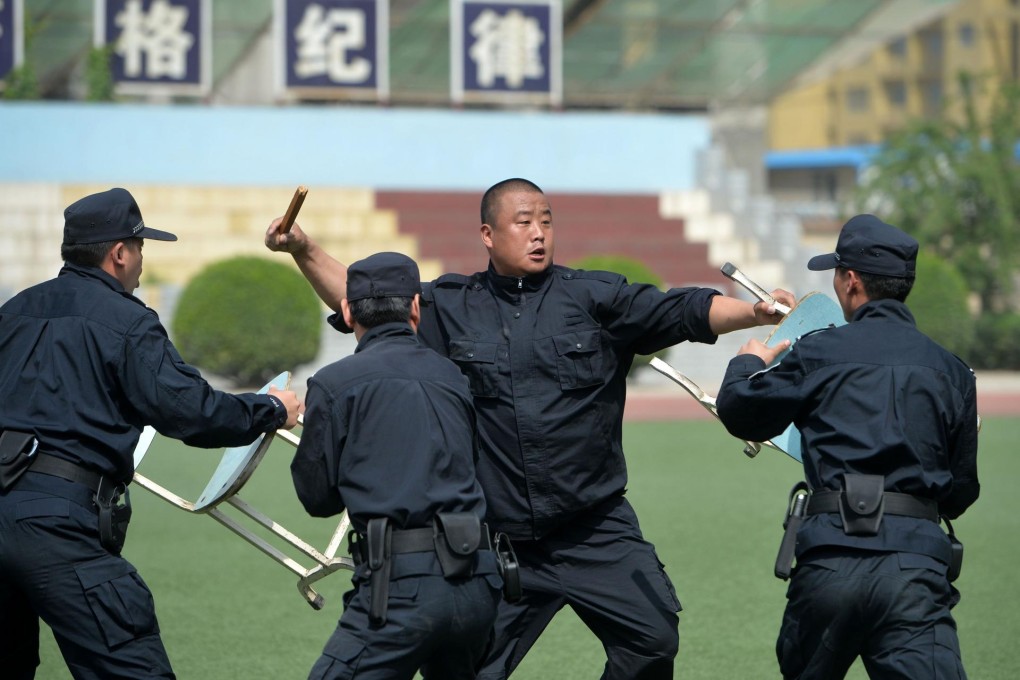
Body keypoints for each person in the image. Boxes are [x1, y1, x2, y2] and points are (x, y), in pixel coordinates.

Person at [267, 177, 794, 679]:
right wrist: (303, 250)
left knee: (652, 641)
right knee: (470, 669)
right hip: (500, 541)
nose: (539, 231)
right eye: (524, 222)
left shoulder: (594, 298)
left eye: (546, 220)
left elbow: (684, 310)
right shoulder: (452, 305)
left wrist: (754, 312)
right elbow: (369, 301)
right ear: (488, 235)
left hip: (595, 528)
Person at [0, 187, 303, 680]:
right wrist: (270, 408)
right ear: (119, 253)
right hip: (60, 524)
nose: (142, 260)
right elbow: (193, 412)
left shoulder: (14, 312)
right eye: (140, 247)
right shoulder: (126, 320)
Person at [715, 214, 979, 679]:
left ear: (851, 281)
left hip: (831, 559)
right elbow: (960, 495)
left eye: (836, 274)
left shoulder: (818, 352)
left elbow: (739, 412)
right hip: (915, 569)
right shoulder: (953, 372)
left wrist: (748, 364)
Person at [291, 251, 501, 680]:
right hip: (478, 581)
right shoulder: (452, 378)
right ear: (415, 308)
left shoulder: (333, 384)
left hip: (404, 586)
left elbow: (318, 499)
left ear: (347, 312)